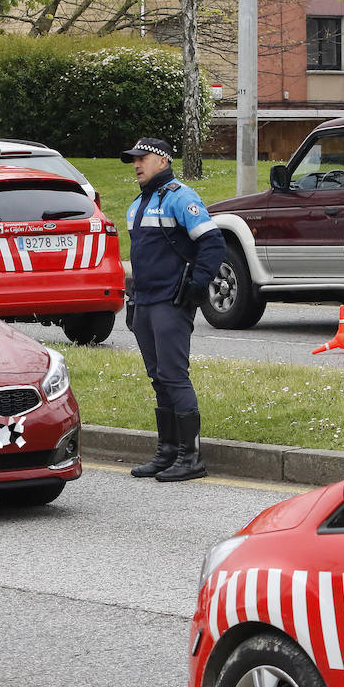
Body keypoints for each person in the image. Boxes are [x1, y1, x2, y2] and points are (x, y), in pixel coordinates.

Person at [122, 137, 225, 482]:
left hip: (171, 302)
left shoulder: (182, 197)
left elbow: (212, 242)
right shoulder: (137, 205)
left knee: (174, 376)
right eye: (134, 159)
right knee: (158, 377)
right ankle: (167, 452)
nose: (136, 164)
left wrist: (197, 286)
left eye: (143, 158)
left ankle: (190, 456)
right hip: (145, 302)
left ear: (162, 161)